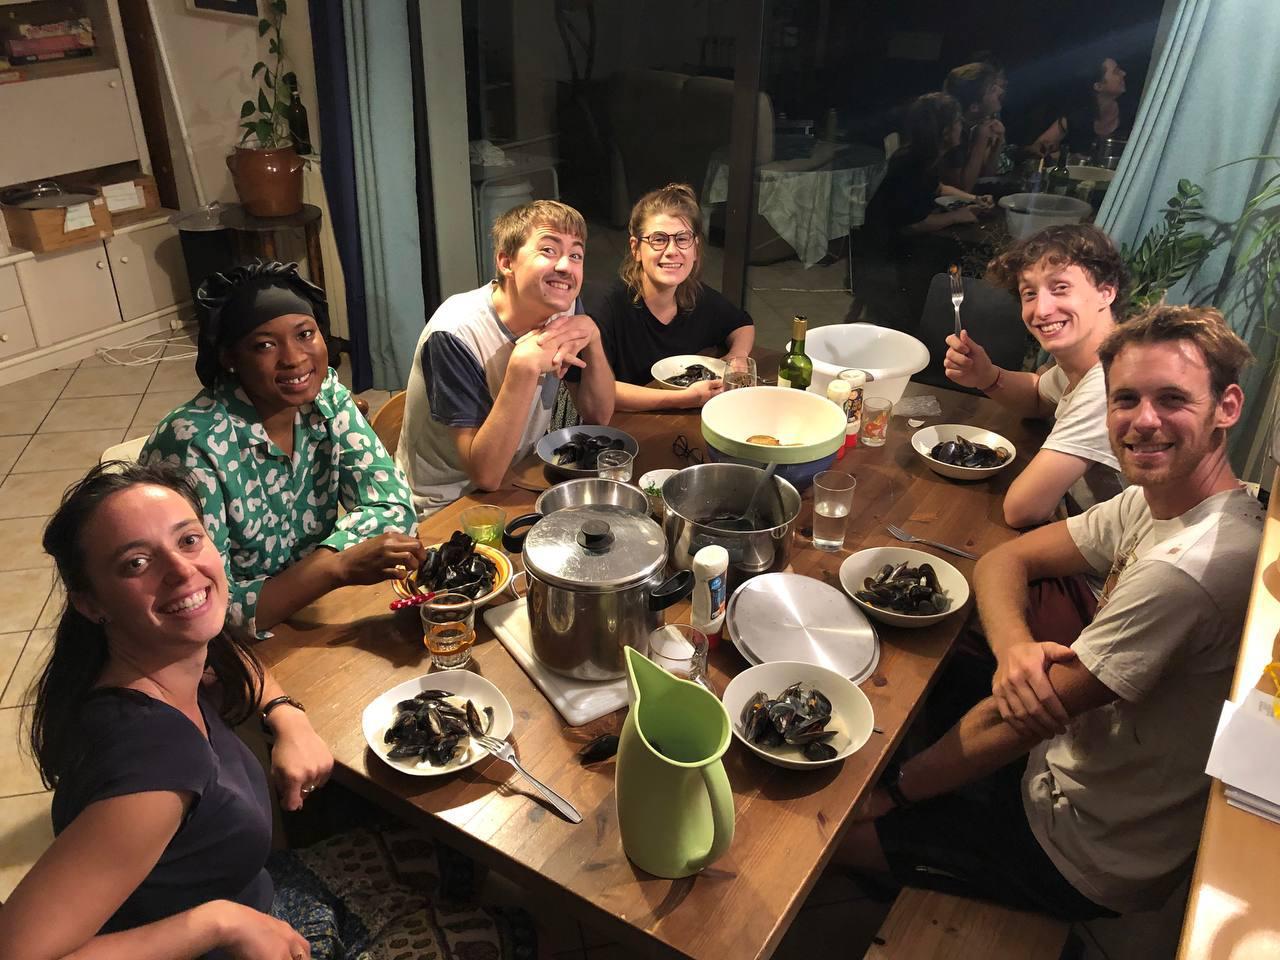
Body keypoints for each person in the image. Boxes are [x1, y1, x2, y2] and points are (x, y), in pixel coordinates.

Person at [0, 462, 529, 959]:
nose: (182, 570)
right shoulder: (153, 769)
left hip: (255, 891)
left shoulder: (166, 659)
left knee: (454, 859)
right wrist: (216, 923)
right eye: (137, 563)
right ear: (90, 602)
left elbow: (238, 659)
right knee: (505, 932)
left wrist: (286, 714)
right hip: (230, 934)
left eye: (188, 539)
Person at [836, 305, 1263, 921]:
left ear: (1227, 407)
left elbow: (1020, 720)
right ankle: (920, 845)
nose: (1144, 421)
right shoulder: (1165, 499)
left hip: (1082, 847)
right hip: (1066, 762)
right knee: (942, 672)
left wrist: (892, 792)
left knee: (835, 835)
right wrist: (1014, 649)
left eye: (1172, 399)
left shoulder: (1188, 571)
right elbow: (1005, 560)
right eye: (1126, 400)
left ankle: (920, 871)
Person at [141, 261, 422, 636]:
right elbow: (206, 608)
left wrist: (318, 572)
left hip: (310, 610)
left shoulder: (328, 397)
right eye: (265, 345)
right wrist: (336, 566)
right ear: (229, 358)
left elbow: (393, 506)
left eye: (305, 334)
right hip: (214, 650)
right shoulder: (193, 445)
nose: (293, 358)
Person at [398, 199, 615, 517]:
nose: (566, 267)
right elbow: (484, 476)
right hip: (443, 505)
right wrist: (523, 369)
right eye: (548, 250)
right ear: (506, 262)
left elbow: (598, 416)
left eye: (576, 255)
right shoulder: (455, 334)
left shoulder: (562, 304)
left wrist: (593, 339)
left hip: (517, 475)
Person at [944, 223, 1127, 527]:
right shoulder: (1090, 359)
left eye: (1060, 288)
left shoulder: (1112, 380)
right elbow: (1037, 397)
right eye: (1030, 293)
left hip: (1114, 564)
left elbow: (1022, 509)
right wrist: (987, 375)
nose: (1041, 309)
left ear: (1106, 292)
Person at [583, 183, 754, 411]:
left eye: (682, 238)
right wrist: (685, 399)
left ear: (695, 247)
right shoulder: (607, 305)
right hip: (616, 426)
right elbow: (601, 393)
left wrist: (737, 357)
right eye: (659, 239)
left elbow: (742, 324)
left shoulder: (694, 295)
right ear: (635, 248)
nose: (672, 250)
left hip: (669, 421)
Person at [1031, 57, 1130, 159]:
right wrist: (1068, 157)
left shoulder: (1133, 114)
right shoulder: (1075, 116)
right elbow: (1037, 149)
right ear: (1098, 86)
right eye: (1116, 72)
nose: (1123, 73)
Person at [941, 61, 1007, 192]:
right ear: (974, 107)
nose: (1001, 91)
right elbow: (962, 189)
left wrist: (999, 143)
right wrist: (981, 140)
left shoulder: (978, 123)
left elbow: (986, 177)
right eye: (992, 90)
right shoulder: (951, 132)